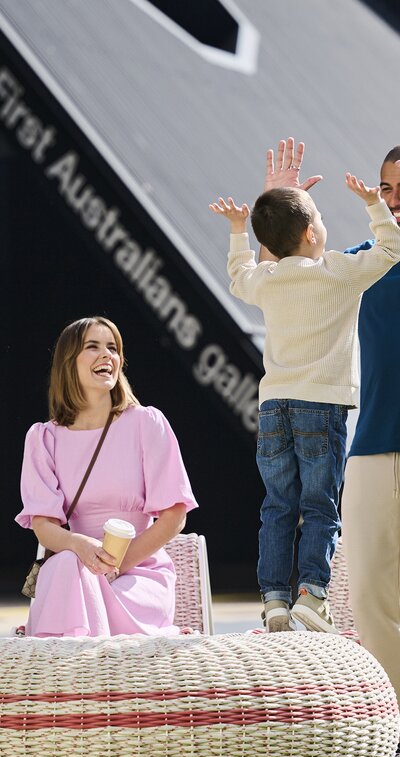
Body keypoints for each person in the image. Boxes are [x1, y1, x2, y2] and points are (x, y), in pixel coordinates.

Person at [209, 147, 400, 634]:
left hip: (276, 405)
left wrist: (256, 220)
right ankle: (312, 595)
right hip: (343, 419)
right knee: (322, 510)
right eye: (387, 189)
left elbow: (248, 274)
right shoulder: (341, 270)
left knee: (279, 505)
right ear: (314, 232)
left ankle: (275, 599)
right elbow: (388, 249)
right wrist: (367, 207)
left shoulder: (284, 276)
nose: (391, 198)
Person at [15, 315, 198, 637]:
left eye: (113, 348)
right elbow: (44, 527)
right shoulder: (43, 438)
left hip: (139, 574)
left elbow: (174, 517)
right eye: (93, 346)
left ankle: (65, 668)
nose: (107, 355)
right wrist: (81, 547)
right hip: (76, 568)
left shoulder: (146, 423)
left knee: (71, 580)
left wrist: (114, 566)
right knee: (64, 566)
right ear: (68, 363)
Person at [340, 146, 400, 757]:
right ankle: (394, 737)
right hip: (374, 447)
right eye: (386, 187)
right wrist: (276, 210)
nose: (392, 199)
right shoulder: (368, 262)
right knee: (370, 600)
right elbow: (293, 270)